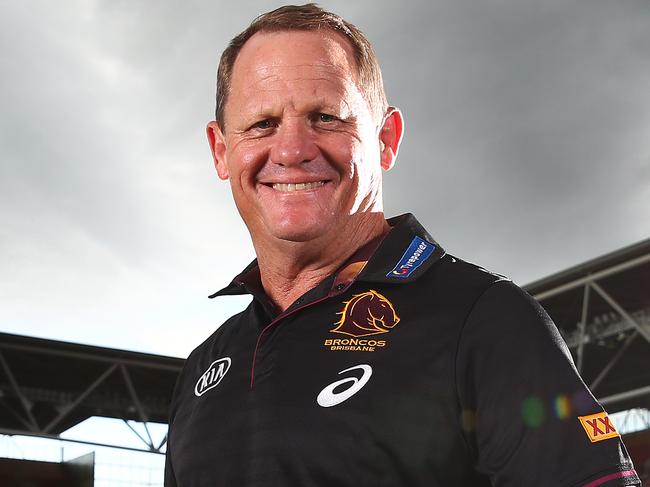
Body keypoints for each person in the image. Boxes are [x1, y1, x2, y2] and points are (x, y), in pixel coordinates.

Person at [164, 4, 640, 486]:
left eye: (326, 117)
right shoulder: (204, 365)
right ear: (221, 150)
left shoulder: (485, 321)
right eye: (262, 123)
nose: (291, 150)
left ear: (386, 140)